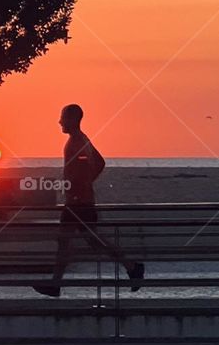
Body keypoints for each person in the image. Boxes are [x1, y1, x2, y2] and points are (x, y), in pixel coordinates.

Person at [33, 103, 144, 298]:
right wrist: (85, 183)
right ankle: (132, 267)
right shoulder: (81, 140)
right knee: (78, 241)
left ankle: (132, 267)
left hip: (78, 202)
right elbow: (100, 162)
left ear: (73, 119)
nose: (60, 122)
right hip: (78, 201)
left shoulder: (77, 142)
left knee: (77, 241)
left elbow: (86, 168)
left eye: (63, 118)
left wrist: (79, 186)